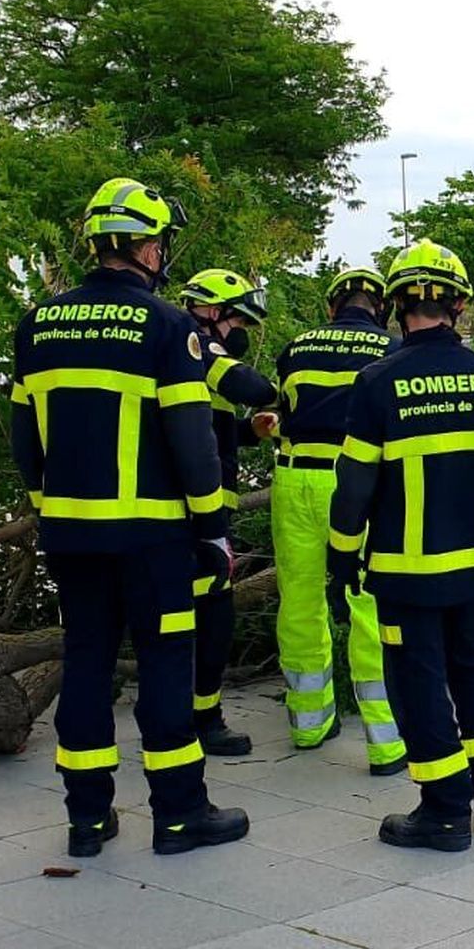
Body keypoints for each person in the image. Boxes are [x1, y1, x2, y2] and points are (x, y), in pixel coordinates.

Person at [9, 179, 249, 857]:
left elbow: (24, 438)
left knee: (86, 661)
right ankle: (179, 817)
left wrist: (44, 508)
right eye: (160, 240)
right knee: (167, 666)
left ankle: (87, 819)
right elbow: (193, 443)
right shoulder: (170, 327)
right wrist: (209, 528)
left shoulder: (39, 325)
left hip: (71, 537)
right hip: (155, 542)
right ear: (145, 245)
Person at [328, 239, 474, 851]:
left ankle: (443, 811)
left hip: (405, 574)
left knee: (419, 685)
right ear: (460, 307)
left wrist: (342, 555)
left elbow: (354, 484)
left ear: (395, 306)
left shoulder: (377, 382)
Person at [269, 268, 407, 771]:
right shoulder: (391, 352)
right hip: (357, 482)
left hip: (295, 481)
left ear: (333, 306)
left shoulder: (296, 349)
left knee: (300, 602)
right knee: (370, 604)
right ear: (382, 308)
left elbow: (282, 411)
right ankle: (386, 740)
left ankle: (309, 723)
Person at [180, 269, 279, 758]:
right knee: (213, 614)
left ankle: (182, 713)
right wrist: (286, 397)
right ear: (215, 312)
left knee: (183, 613)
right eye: (240, 319)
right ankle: (204, 718)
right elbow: (250, 384)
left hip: (181, 507)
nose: (242, 332)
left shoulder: (178, 348)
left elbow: (203, 425)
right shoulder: (197, 343)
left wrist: (248, 433)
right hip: (201, 513)